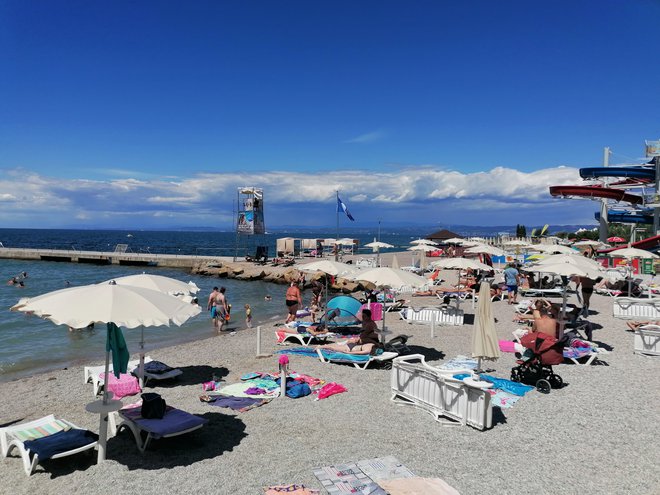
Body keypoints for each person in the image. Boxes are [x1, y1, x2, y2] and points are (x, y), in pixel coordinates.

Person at [317, 308, 381, 354]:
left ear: (366, 316)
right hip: (359, 345)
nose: (362, 316)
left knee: (340, 346)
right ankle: (325, 346)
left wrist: (354, 341)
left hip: (357, 346)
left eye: (363, 315)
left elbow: (362, 338)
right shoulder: (369, 323)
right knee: (341, 345)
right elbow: (363, 336)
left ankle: (324, 346)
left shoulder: (369, 325)